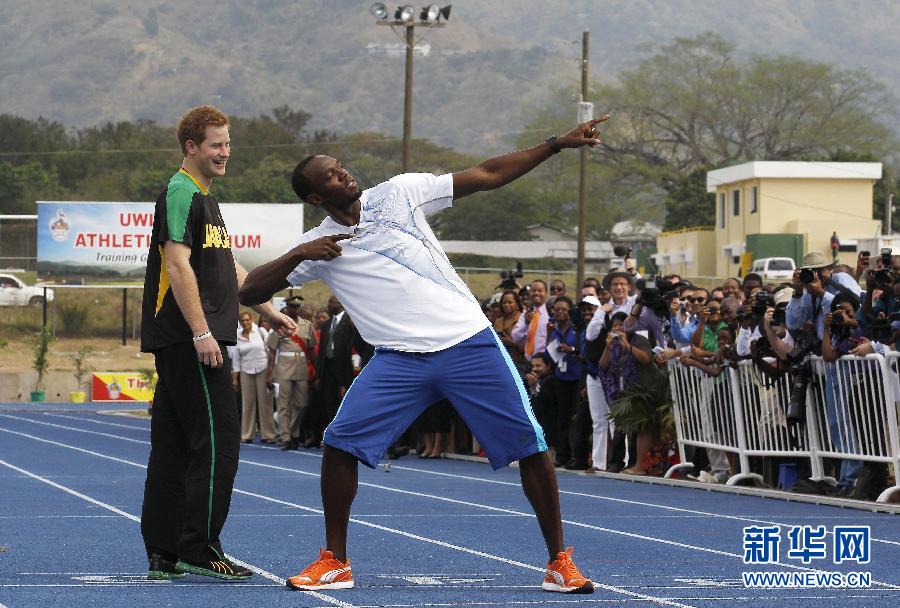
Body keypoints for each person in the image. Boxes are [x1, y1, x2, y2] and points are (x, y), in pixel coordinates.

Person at [240, 116, 610, 594]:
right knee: (339, 443)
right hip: (399, 360)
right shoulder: (317, 246)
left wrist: (556, 144)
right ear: (315, 197)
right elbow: (251, 289)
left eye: (341, 167)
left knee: (531, 446)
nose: (344, 175)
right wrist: (296, 256)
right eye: (330, 176)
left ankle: (560, 561)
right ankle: (335, 562)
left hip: (467, 343)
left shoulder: (400, 192)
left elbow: (489, 174)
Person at [139, 105, 295, 581]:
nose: (225, 152)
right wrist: (202, 331)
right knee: (218, 443)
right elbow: (178, 265)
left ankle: (164, 551)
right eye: (216, 144)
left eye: (228, 143)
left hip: (184, 338)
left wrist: (267, 309)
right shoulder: (182, 191)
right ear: (192, 147)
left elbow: (228, 267)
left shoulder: (206, 198)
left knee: (173, 447)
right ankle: (200, 548)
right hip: (190, 339)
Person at [266, 295, 318, 450]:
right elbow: (272, 352)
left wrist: (317, 371)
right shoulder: (279, 325)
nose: (295, 310)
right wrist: (270, 374)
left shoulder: (307, 325)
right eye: (292, 307)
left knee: (301, 404)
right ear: (287, 308)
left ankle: (294, 433)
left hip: (301, 368)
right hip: (283, 369)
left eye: (297, 307)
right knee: (283, 404)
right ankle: (286, 437)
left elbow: (311, 350)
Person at [232, 311, 276, 444]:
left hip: (263, 368)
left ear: (252, 320)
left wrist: (270, 372)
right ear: (240, 323)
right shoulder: (238, 337)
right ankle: (246, 434)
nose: (245, 323)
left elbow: (271, 351)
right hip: (246, 370)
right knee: (247, 403)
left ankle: (268, 434)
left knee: (265, 402)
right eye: (242, 321)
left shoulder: (261, 331)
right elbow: (236, 360)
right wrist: (235, 379)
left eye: (247, 320)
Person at [512, 279, 551, 360]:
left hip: (545, 360)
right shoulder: (525, 314)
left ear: (546, 293)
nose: (536, 293)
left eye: (540, 291)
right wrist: (526, 323)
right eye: (533, 291)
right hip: (528, 361)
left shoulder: (550, 313)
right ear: (530, 294)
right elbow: (515, 337)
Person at [493, 289, 525, 368]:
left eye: (510, 302)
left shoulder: (524, 320)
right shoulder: (498, 321)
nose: (506, 305)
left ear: (517, 304)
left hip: (520, 363)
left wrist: (512, 343)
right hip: (501, 362)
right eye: (504, 303)